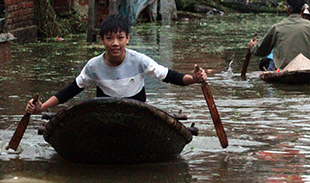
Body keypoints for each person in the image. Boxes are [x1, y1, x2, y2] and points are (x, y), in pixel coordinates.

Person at [26, 14, 207, 114]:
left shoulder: (139, 60)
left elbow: (169, 76)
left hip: (137, 112)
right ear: (101, 40)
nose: (115, 43)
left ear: (127, 39)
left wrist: (194, 79)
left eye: (120, 38)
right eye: (109, 38)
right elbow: (71, 90)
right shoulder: (93, 66)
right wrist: (41, 108)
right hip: (105, 113)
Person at [258, 4, 310, 71]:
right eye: (303, 16)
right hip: (286, 64)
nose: (303, 20)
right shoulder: (283, 31)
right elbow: (274, 53)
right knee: (269, 60)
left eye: (306, 18)